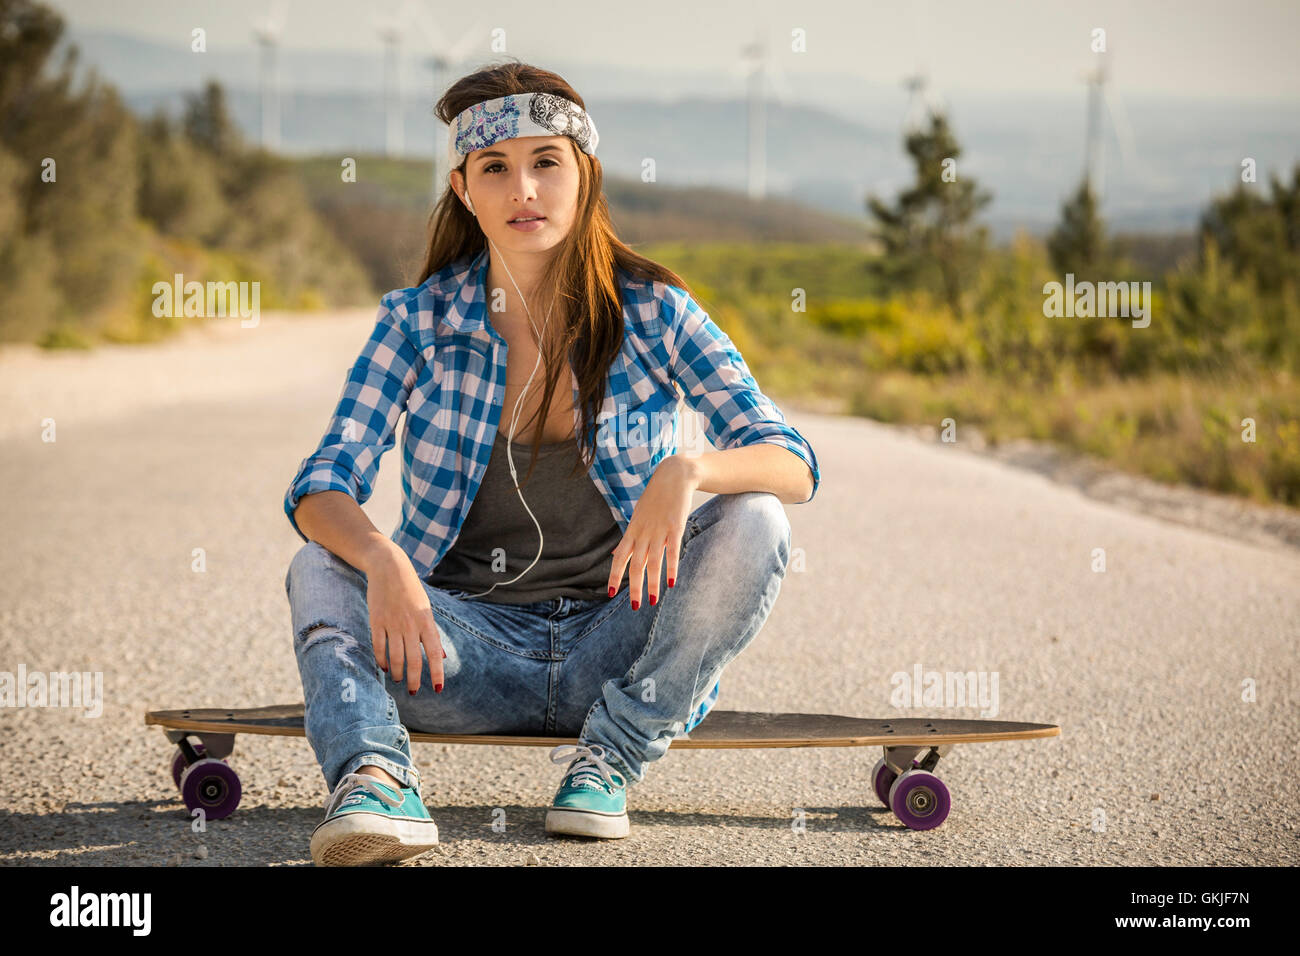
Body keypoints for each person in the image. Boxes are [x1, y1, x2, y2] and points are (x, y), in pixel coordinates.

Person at [282, 61, 821, 866]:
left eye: (546, 163)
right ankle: (375, 780)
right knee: (318, 566)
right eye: (494, 168)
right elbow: (321, 482)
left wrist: (691, 472)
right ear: (464, 189)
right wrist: (382, 558)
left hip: (624, 647)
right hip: (456, 652)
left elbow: (793, 463)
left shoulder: (657, 311)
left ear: (585, 176)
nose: (522, 189)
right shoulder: (418, 321)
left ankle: (611, 758)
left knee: (756, 517)